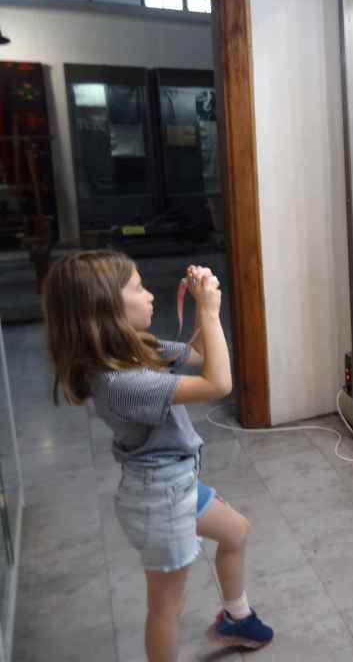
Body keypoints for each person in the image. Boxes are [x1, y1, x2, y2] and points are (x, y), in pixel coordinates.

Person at [42, 251, 273, 660]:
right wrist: (211, 311)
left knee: (235, 532)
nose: (150, 295)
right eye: (138, 288)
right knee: (167, 608)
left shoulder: (134, 348)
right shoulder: (119, 382)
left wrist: (203, 305)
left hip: (174, 483)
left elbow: (197, 355)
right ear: (106, 308)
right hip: (159, 498)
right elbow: (218, 383)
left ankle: (236, 618)